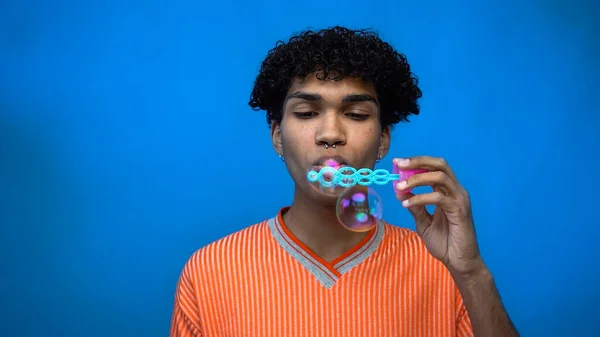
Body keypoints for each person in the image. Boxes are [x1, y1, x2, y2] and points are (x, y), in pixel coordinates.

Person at [169, 26, 519, 337]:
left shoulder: (446, 268)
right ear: (277, 135)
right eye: (306, 113)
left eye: (356, 115)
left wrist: (471, 272)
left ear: (383, 139)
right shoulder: (209, 270)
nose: (331, 134)